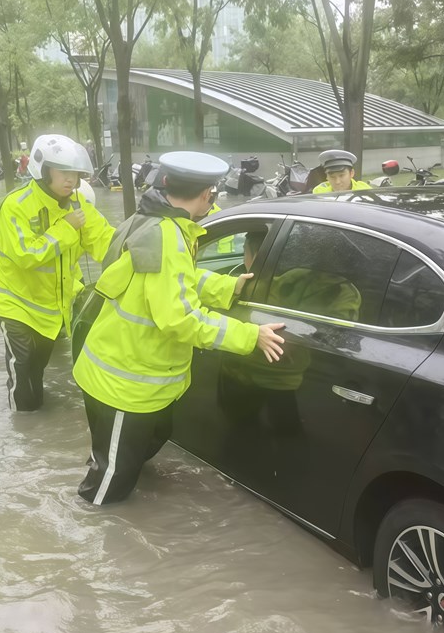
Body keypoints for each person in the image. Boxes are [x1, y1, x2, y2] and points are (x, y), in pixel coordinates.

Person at [73, 151, 286, 505]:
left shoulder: (155, 222)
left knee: (150, 438)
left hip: (122, 372)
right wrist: (250, 335)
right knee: (110, 482)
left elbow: (172, 283)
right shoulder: (167, 237)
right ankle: (86, 543)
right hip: (124, 385)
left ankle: (105, 460)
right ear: (206, 195)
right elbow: (180, 319)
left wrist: (228, 287)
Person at [0, 133, 115, 411]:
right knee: (22, 368)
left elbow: (105, 240)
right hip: (15, 303)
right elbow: (26, 256)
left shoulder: (78, 204)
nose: (70, 180)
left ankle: (34, 420)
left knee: (38, 367)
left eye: (74, 173)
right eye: (63, 172)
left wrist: (137, 252)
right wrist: (66, 228)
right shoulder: (16, 206)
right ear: (44, 170)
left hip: (51, 308)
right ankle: (23, 427)